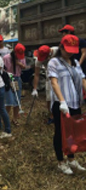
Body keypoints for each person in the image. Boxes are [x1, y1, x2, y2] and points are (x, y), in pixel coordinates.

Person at [48, 34, 86, 175]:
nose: (69, 52)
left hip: (75, 102)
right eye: (67, 49)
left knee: (72, 134)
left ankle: (71, 159)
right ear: (61, 47)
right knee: (60, 132)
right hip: (62, 104)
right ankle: (60, 162)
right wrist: (62, 101)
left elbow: (83, 80)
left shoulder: (75, 62)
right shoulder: (54, 62)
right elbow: (54, 82)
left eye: (72, 50)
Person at [32, 45, 59, 124]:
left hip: (60, 77)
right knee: (49, 98)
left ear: (49, 53)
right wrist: (35, 88)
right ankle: (52, 115)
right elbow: (37, 74)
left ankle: (61, 114)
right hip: (49, 77)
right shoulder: (38, 59)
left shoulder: (57, 51)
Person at [4, 43, 26, 126]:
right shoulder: (6, 58)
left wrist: (19, 64)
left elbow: (24, 66)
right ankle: (5, 120)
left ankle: (15, 119)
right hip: (9, 79)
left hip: (17, 79)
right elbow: (2, 69)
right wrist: (7, 75)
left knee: (17, 100)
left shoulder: (22, 58)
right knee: (9, 101)